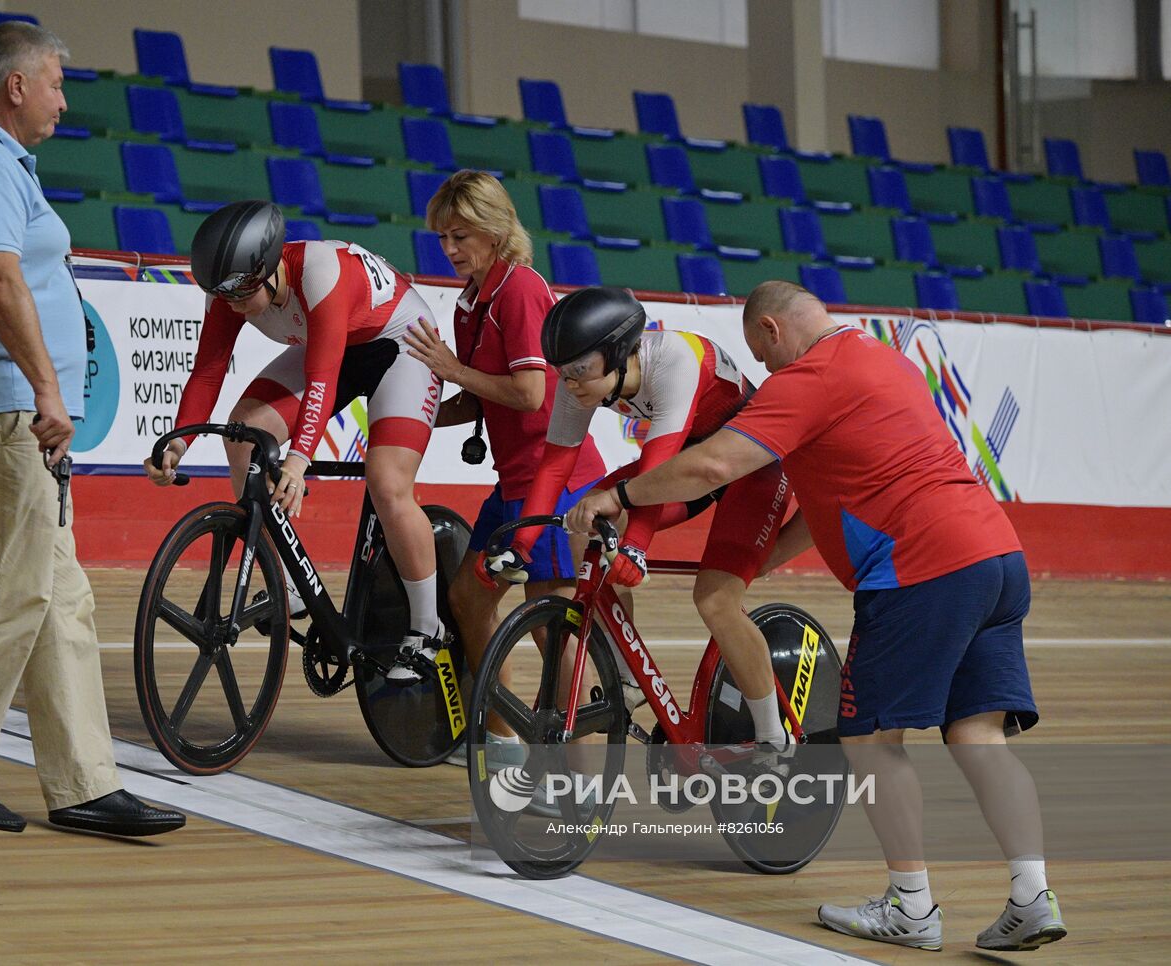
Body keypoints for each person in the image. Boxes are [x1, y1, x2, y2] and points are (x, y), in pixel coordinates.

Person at [568, 280, 1066, 953]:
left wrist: (617, 493)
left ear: (773, 331)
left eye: (763, 358)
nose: (766, 373)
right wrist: (763, 558)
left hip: (920, 571)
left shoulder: (804, 380)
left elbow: (712, 463)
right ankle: (1033, 897)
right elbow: (837, 490)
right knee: (978, 736)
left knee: (868, 741)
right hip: (996, 557)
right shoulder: (885, 361)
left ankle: (911, 907)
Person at [0, 21, 184, 836]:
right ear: (16, 86)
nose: (65, 100)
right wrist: (48, 388)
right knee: (15, 585)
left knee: (62, 601)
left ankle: (85, 785)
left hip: (14, 410)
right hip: (5, 410)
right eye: (56, 83)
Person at [145, 201, 445, 682]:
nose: (236, 306)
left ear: (268, 268)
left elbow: (322, 377)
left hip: (401, 345)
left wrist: (299, 461)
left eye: (244, 294)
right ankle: (288, 577)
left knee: (387, 484)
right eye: (228, 297)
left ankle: (428, 628)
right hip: (337, 350)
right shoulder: (228, 288)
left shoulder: (321, 271)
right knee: (245, 431)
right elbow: (208, 370)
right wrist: (178, 444)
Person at [492, 287, 794, 752]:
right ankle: (626, 677)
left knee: (715, 599)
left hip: (748, 468)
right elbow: (553, 468)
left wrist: (635, 546)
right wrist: (521, 544)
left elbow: (658, 471)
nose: (570, 385)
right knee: (587, 512)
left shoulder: (674, 357)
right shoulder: (588, 378)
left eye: (579, 372)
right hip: (692, 461)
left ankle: (775, 739)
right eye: (562, 374)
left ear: (616, 354)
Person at [402, 170, 605, 723]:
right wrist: (407, 419)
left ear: (493, 232)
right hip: (516, 482)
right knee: (470, 599)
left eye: (460, 235)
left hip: (555, 482)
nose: (448, 248)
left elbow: (528, 391)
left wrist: (451, 368)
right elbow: (482, 400)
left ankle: (579, 779)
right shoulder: (472, 301)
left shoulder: (518, 289)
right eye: (442, 237)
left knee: (551, 630)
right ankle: (504, 734)